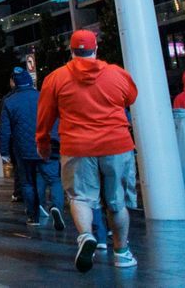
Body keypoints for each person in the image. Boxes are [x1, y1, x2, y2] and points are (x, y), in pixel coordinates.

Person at [37, 30, 139, 272]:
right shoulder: (117, 73)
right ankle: (122, 253)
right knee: (116, 202)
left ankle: (86, 236)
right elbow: (130, 98)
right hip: (117, 145)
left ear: (71, 51)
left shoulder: (55, 78)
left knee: (80, 198)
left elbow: (44, 118)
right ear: (96, 50)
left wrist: (42, 145)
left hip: (77, 147)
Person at [0, 67, 65, 229]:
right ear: (30, 81)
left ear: (14, 83)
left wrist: (5, 152)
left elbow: (5, 130)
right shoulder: (43, 96)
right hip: (46, 145)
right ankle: (56, 206)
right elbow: (56, 119)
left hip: (23, 149)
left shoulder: (9, 102)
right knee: (54, 179)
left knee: (27, 183)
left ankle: (33, 216)